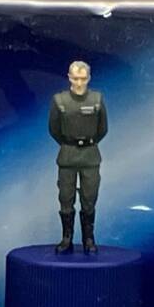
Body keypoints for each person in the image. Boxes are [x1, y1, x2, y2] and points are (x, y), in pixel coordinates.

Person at [48, 61, 108, 253]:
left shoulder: (97, 99)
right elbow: (54, 129)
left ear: (89, 78)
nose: (79, 83)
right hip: (68, 155)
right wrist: (69, 144)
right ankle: (67, 238)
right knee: (66, 198)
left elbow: (102, 129)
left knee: (89, 199)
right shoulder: (59, 100)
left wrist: (88, 142)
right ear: (69, 78)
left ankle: (88, 239)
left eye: (83, 79)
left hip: (90, 156)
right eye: (75, 78)